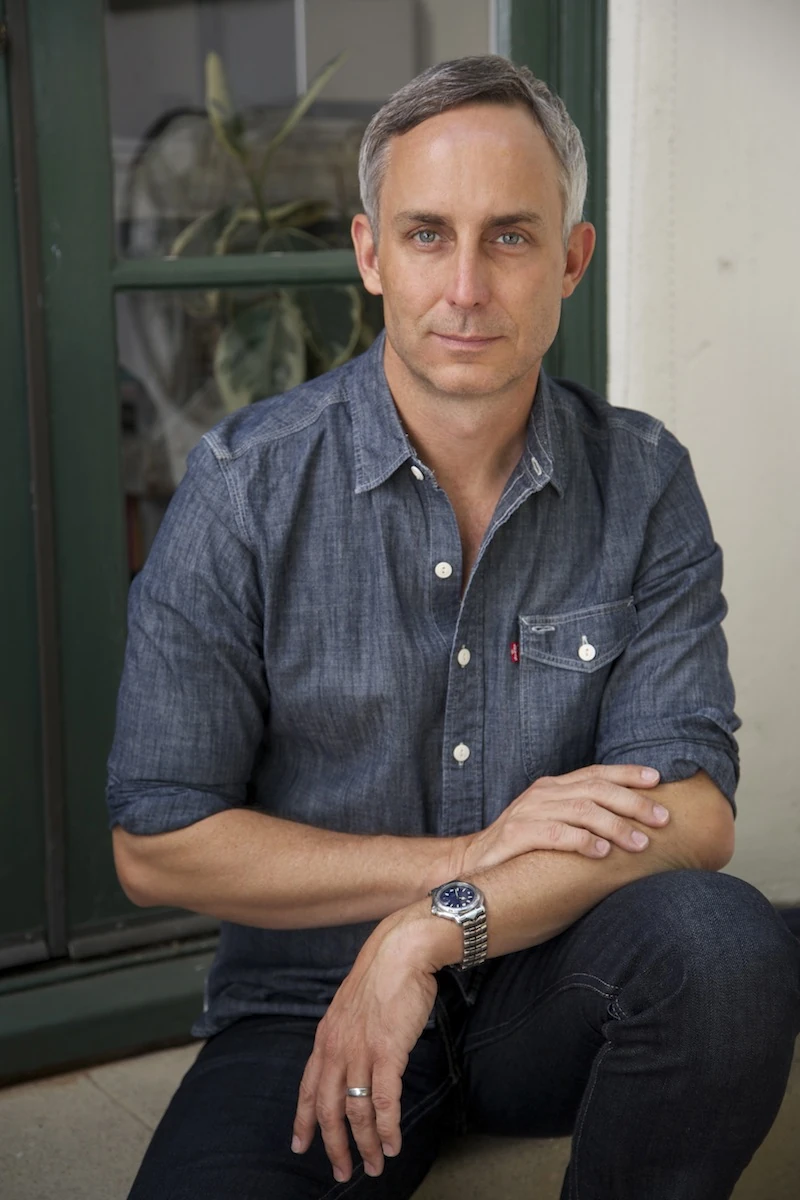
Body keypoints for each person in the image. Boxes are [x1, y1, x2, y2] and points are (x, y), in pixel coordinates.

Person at [107, 55, 799, 1200]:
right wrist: (461, 863)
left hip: (548, 973)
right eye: (427, 234)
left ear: (570, 260)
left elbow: (692, 815)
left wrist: (432, 926)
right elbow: (156, 843)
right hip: (309, 998)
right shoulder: (243, 491)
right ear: (370, 254)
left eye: (509, 237)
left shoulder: (641, 482)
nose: (466, 287)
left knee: (726, 946)